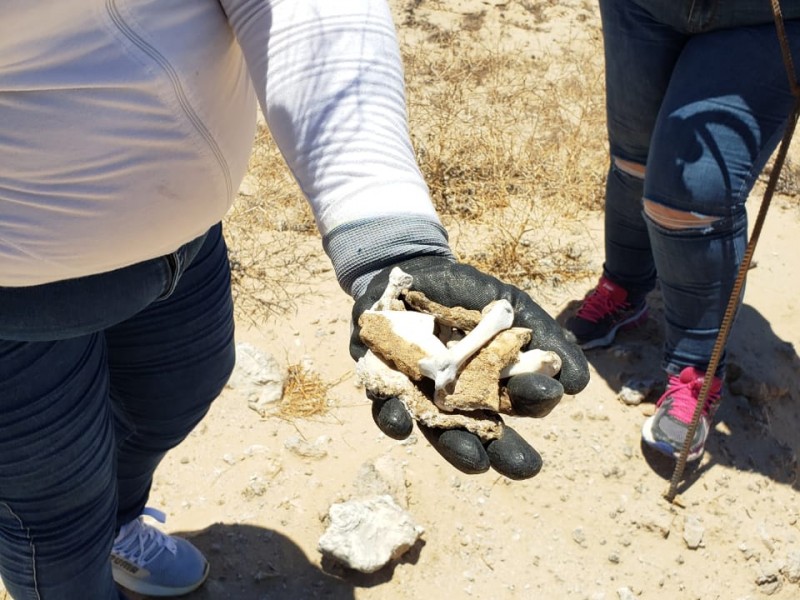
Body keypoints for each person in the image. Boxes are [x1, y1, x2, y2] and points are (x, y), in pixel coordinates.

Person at [0, 1, 589, 598]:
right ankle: (75, 549)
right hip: (14, 293)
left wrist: (385, 239)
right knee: (51, 514)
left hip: (187, 243)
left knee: (174, 399)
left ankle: (117, 523)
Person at [565, 0, 800, 463]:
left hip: (765, 17)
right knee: (634, 163)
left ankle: (695, 369)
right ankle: (625, 290)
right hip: (644, 7)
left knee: (688, 198)